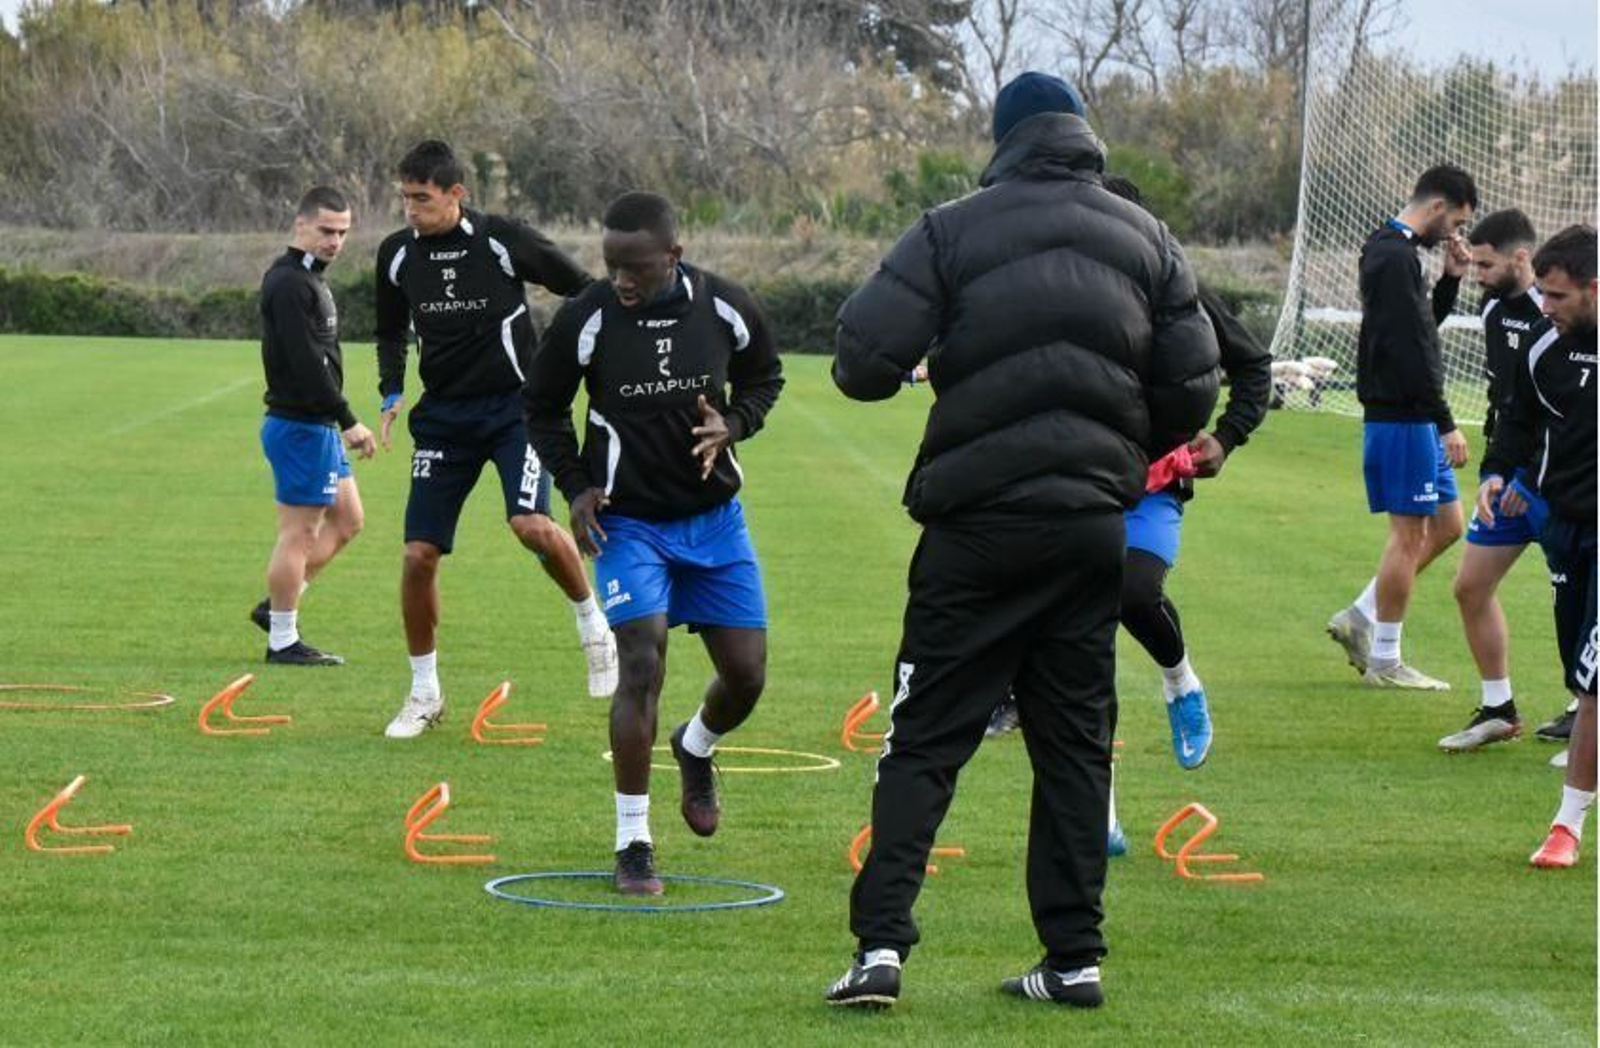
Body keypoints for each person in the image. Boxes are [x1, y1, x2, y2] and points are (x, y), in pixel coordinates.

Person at [825, 71, 1218, 1010]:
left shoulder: (951, 227)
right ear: (1083, 137)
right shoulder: (1146, 236)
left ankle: (882, 949)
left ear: (1003, 140)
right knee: (1076, 743)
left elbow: (860, 367)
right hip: (1091, 527)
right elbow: (1194, 390)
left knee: (924, 738)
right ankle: (1074, 958)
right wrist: (1118, 442)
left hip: (977, 524)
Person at [523, 191, 784, 896]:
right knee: (642, 658)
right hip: (628, 523)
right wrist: (575, 484)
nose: (621, 279)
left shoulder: (725, 306)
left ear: (674, 254)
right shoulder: (587, 317)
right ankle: (633, 841)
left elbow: (766, 377)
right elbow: (542, 407)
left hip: (714, 520)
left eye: (635, 266)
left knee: (747, 674)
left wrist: (734, 422)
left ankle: (695, 746)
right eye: (611, 264)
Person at [986, 174, 1272, 779]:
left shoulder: (1181, 295)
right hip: (1065, 486)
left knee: (1132, 593)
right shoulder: (1055, 293)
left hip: (1149, 486)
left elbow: (1254, 368)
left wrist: (1226, 437)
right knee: (1075, 640)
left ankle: (1180, 683)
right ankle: (1100, 806)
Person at [372, 140, 617, 739]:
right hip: (444, 420)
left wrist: (586, 358)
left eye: (422, 198)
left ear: (457, 193)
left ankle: (593, 625)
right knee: (416, 555)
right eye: (404, 198)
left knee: (530, 525)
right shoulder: (397, 255)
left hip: (516, 412)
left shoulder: (502, 241)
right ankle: (425, 692)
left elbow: (583, 288)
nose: (411, 209)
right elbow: (388, 327)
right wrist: (390, 391)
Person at [1327, 164, 1477, 690]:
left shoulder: (1396, 252)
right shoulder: (1393, 256)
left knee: (1449, 525)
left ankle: (1361, 615)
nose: (1455, 234)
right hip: (1403, 415)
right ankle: (1385, 662)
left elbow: (1420, 331)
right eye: (1456, 222)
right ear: (1437, 207)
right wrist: (1446, 422)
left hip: (1410, 413)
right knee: (1408, 535)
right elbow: (1412, 351)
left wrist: (1451, 280)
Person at [1475, 224, 1596, 868]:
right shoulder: (1544, 345)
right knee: (1578, 664)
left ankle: (1566, 825)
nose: (1543, 306)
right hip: (1563, 525)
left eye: (1557, 296)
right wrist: (1499, 472)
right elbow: (1518, 418)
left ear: (1594, 290)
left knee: (1595, 680)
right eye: (1542, 294)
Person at [1440, 209, 1554, 751]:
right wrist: (1495, 469)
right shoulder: (1489, 307)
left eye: (1486, 264)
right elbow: (1503, 400)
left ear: (1521, 257)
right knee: (1470, 586)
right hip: (1510, 476)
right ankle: (1498, 708)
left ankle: (1586, 708)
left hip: (1561, 478)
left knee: (1575, 598)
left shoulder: (1557, 312)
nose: (1478, 273)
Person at [251, 186, 375, 666]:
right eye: (326, 230)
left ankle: (277, 606)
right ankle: (282, 639)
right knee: (299, 533)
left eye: (343, 232)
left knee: (348, 521)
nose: (335, 241)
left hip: (315, 425)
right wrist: (348, 420)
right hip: (301, 425)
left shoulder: (311, 281)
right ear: (299, 225)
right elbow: (306, 364)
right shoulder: (288, 283)